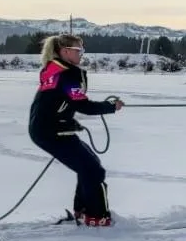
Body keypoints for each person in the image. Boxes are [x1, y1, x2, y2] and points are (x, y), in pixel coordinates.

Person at [28, 34, 124, 226]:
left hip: (48, 128)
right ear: (65, 52)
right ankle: (97, 217)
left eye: (82, 50)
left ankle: (83, 210)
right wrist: (111, 106)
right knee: (93, 170)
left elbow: (55, 103)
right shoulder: (66, 74)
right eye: (78, 50)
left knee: (90, 165)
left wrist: (68, 122)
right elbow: (83, 105)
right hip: (50, 132)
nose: (82, 54)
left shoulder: (55, 69)